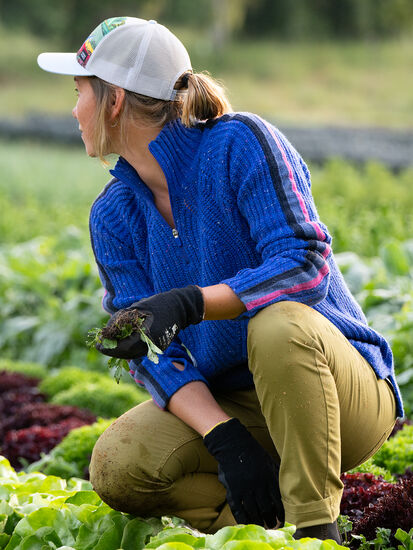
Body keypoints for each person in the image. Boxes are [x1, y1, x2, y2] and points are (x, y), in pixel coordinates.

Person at [37, 17, 402, 542]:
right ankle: (259, 528)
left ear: (114, 101)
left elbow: (305, 264)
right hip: (240, 405)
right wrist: (224, 435)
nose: (74, 111)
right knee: (119, 463)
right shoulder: (113, 215)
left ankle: (316, 529)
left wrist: (191, 303)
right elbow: (151, 347)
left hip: (337, 391)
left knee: (275, 324)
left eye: (79, 93)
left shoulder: (241, 143)